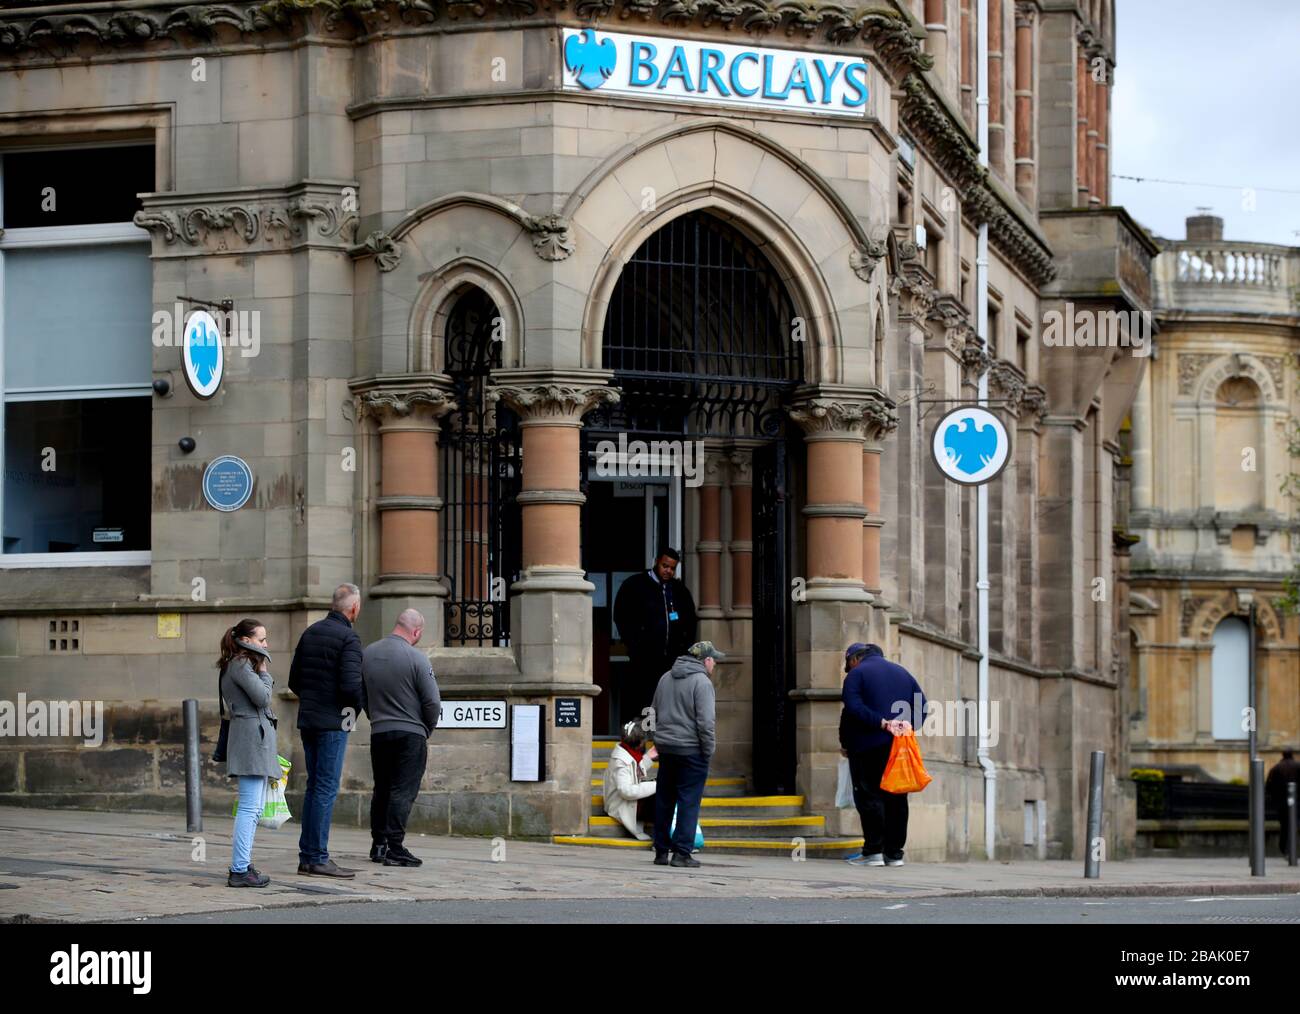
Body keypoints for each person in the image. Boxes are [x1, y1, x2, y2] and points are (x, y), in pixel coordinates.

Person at [288, 582, 365, 878]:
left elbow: (295, 680)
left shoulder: (310, 633)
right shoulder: (349, 638)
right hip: (333, 722)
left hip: (309, 719)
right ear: (354, 608)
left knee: (314, 788)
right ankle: (317, 857)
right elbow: (350, 686)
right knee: (325, 788)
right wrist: (354, 710)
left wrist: (314, 699)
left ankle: (308, 856)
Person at [362, 608, 440, 867]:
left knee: (382, 787)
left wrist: (374, 717)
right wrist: (426, 728)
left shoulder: (368, 654)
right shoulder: (417, 658)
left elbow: (360, 692)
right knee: (402, 790)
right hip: (411, 734)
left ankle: (379, 844)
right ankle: (396, 847)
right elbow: (432, 702)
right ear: (416, 631)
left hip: (380, 732)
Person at [840, 642, 927, 868]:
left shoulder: (856, 675)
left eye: (848, 664)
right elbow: (923, 707)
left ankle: (873, 852)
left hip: (866, 745)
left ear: (854, 659)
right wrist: (907, 726)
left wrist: (882, 723)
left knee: (869, 796)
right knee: (896, 798)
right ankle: (894, 854)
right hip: (898, 747)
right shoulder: (902, 672)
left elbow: (852, 707)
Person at [218, 618, 282, 888]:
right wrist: (265, 672)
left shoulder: (238, 664)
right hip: (250, 739)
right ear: (246, 640)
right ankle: (240, 869)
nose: (266, 644)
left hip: (251, 737)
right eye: (262, 639)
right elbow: (263, 698)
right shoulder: (242, 665)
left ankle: (242, 865)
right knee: (249, 808)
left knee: (253, 808)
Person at [650, 640, 721, 868]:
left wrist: (657, 741)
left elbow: (653, 713)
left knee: (664, 800)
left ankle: (661, 851)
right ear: (706, 660)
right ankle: (682, 853)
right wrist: (708, 751)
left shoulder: (665, 678)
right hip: (691, 750)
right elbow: (706, 723)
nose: (715, 665)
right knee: (689, 802)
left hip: (667, 749)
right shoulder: (702, 682)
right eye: (714, 660)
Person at [613, 548, 698, 729]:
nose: (668, 571)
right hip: (643, 657)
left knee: (668, 697)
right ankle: (639, 735)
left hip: (672, 659)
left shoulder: (679, 590)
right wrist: (633, 644)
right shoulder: (635, 585)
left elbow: (690, 621)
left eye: (672, 568)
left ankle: (663, 733)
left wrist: (684, 648)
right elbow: (621, 616)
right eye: (665, 566)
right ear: (656, 562)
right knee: (642, 696)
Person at [603, 719, 658, 840]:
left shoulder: (627, 753)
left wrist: (649, 757)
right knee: (661, 798)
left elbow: (633, 768)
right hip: (620, 805)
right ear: (640, 743)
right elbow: (626, 791)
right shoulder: (621, 762)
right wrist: (657, 785)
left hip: (625, 801)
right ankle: (662, 839)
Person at [1266, 749, 1300, 857]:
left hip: (1281, 803)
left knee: (1285, 826)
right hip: (1297, 802)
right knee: (1294, 824)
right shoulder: (1298, 766)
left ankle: (1285, 850)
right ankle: (1292, 850)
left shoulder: (1276, 768)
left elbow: (1269, 786)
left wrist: (1275, 798)